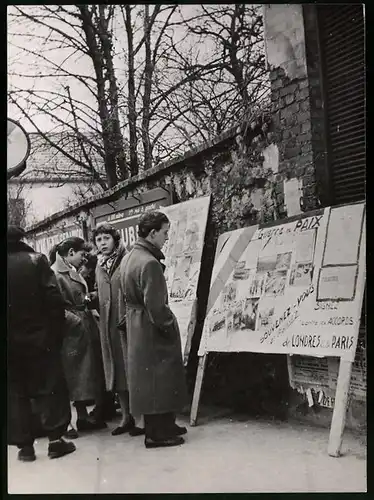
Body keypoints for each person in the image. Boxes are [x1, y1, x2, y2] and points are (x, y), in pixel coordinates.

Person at [7, 225, 76, 461]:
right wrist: (54, 334)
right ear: (22, 239)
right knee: (50, 388)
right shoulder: (36, 261)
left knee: (15, 393)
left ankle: (25, 447)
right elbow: (53, 299)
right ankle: (55, 441)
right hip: (40, 339)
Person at [120, 211, 188, 449]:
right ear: (152, 233)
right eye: (165, 233)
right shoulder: (149, 263)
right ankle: (157, 433)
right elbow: (157, 307)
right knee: (160, 377)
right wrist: (171, 327)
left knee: (150, 378)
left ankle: (164, 425)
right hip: (151, 325)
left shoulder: (130, 257)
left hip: (137, 323)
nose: (167, 238)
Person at [50, 237, 107, 434]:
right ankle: (68, 423)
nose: (84, 259)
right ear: (71, 252)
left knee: (83, 375)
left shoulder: (70, 271)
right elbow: (55, 306)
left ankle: (82, 417)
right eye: (82, 255)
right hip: (71, 330)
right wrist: (75, 321)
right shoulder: (56, 274)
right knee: (71, 375)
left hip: (82, 325)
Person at [93, 222, 145, 436]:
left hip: (126, 322)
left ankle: (140, 418)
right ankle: (125, 416)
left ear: (115, 238)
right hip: (108, 325)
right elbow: (99, 288)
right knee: (115, 371)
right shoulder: (99, 264)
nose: (102, 243)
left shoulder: (126, 259)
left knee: (131, 368)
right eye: (98, 240)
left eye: (106, 238)